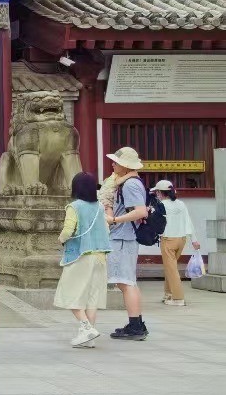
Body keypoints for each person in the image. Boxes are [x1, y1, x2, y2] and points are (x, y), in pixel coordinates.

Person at [54, 172, 110, 347]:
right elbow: (106, 229)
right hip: (100, 256)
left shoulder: (74, 206)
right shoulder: (99, 207)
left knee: (69, 293)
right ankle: (88, 338)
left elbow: (68, 229)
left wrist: (61, 240)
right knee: (91, 299)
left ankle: (86, 327)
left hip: (81, 255)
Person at [104, 146, 150, 340]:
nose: (113, 165)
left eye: (116, 162)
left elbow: (141, 211)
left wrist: (114, 220)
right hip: (126, 237)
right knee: (128, 282)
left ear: (125, 165)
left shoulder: (130, 184)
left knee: (126, 283)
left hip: (123, 238)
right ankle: (136, 324)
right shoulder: (129, 182)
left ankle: (135, 327)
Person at [152, 179, 199, 307]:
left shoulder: (161, 205)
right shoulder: (181, 204)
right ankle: (168, 294)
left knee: (171, 269)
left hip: (168, 240)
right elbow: (188, 221)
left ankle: (178, 298)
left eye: (156, 192)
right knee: (170, 267)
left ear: (160, 193)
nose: (156, 195)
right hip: (181, 239)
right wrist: (194, 240)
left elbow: (154, 222)